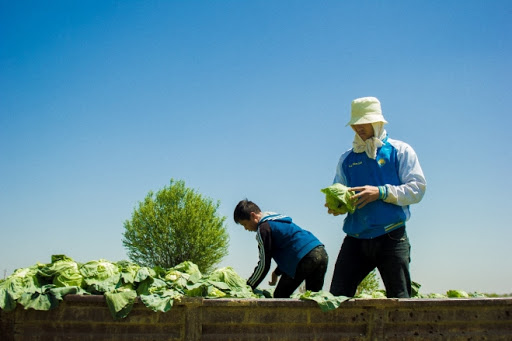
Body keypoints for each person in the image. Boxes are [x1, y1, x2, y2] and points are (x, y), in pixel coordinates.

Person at [327, 96, 426, 298]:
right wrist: (338, 206)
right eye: (356, 124)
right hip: (356, 237)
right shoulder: (347, 158)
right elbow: (340, 189)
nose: (359, 128)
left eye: (365, 123)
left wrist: (381, 192)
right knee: (337, 297)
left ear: (377, 122)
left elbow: (417, 189)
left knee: (400, 299)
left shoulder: (400, 151)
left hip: (391, 236)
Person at [234, 199, 328, 298]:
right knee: (313, 299)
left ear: (253, 216)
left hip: (304, 258)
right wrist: (277, 272)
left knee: (280, 297)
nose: (245, 228)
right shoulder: (277, 221)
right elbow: (293, 249)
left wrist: (248, 287)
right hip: (320, 252)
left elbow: (264, 264)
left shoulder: (264, 228)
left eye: (244, 224)